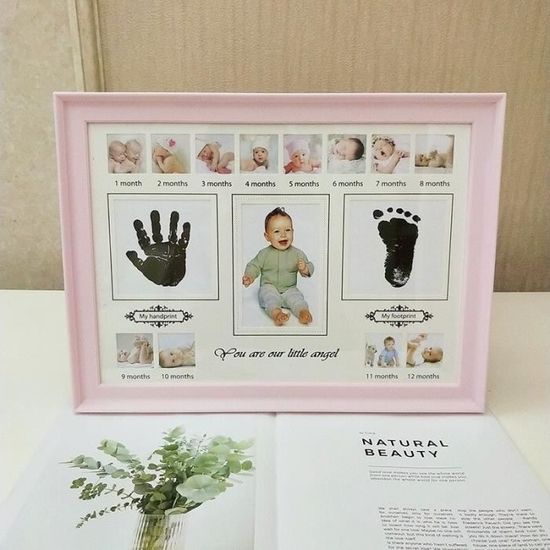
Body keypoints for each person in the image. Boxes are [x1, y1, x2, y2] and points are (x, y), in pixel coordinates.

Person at [242, 207, 314, 326]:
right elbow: (254, 265)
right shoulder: (264, 254)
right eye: (277, 231)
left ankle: (303, 312)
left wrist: (305, 268)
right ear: (267, 236)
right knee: (269, 298)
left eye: (287, 230)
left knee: (297, 298)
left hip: (289, 288)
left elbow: (310, 266)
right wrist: (249, 276)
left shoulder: (297, 253)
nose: (283, 235)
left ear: (293, 231)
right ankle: (276, 314)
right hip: (269, 287)